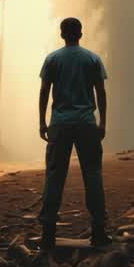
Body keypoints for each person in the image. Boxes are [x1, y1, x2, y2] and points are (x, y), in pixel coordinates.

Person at [37, 17, 109, 251]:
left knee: (55, 176)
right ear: (81, 33)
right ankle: (99, 232)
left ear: (62, 34)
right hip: (87, 123)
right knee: (93, 175)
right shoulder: (92, 59)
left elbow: (44, 92)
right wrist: (103, 123)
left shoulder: (52, 59)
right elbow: (101, 93)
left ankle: (48, 234)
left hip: (60, 124)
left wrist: (42, 122)